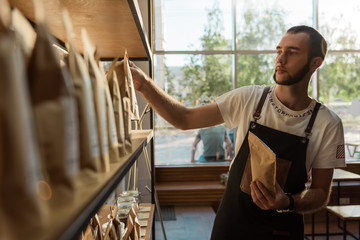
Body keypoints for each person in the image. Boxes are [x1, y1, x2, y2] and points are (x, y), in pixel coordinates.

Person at [129, 25, 346, 239]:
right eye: (279, 50)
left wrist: (288, 201)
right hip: (232, 225)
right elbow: (184, 119)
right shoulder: (249, 99)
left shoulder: (327, 123)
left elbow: (320, 194)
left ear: (315, 63)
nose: (280, 59)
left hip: (282, 229)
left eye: (292, 52)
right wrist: (144, 84)